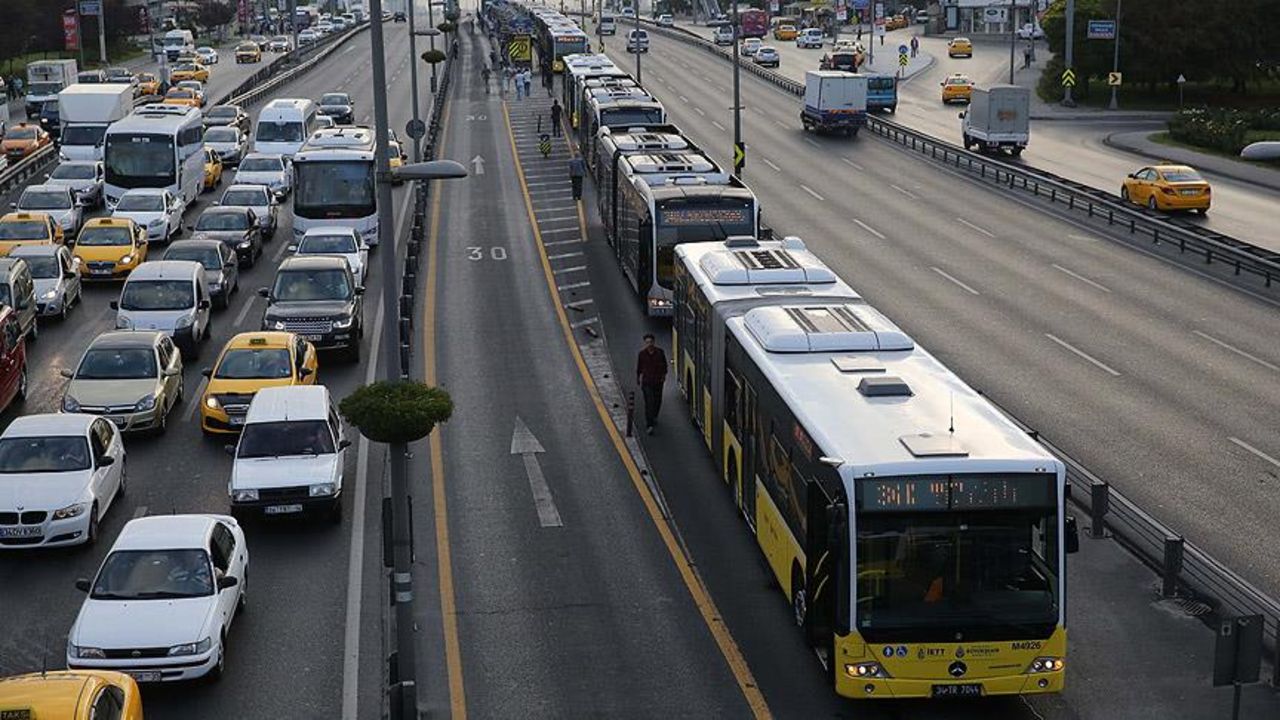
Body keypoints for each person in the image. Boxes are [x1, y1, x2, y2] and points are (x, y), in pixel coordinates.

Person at [635, 334, 668, 435]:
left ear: (654, 342)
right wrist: (638, 378)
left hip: (658, 382)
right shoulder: (642, 354)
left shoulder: (660, 353)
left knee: (657, 401)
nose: (649, 344)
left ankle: (654, 416)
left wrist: (663, 376)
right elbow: (639, 367)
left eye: (651, 342)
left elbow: (665, 365)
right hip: (647, 382)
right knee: (649, 402)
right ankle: (649, 425)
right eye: (647, 342)